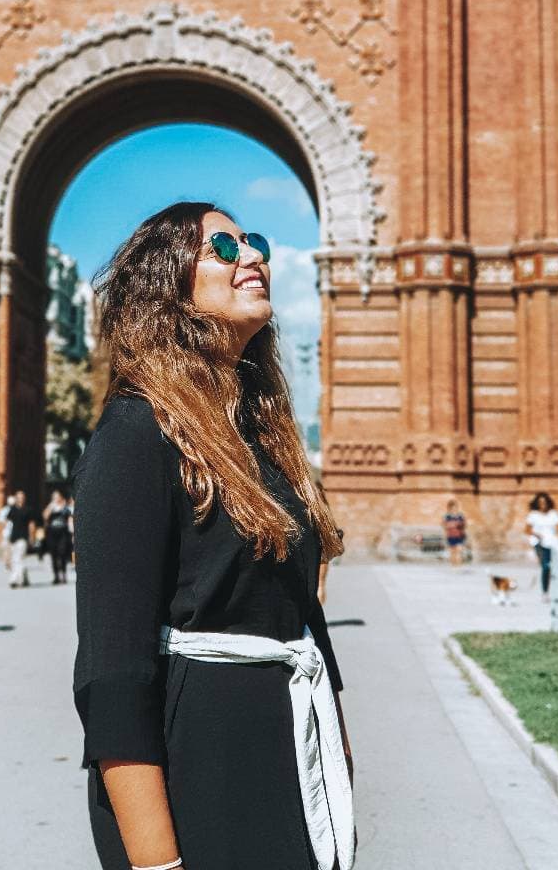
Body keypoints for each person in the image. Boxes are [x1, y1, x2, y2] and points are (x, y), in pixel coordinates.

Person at [73, 203, 354, 870]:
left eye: (253, 242)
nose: (253, 256)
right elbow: (113, 673)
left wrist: (338, 769)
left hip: (288, 771)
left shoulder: (263, 444)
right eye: (223, 248)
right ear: (168, 286)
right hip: (198, 784)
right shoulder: (135, 435)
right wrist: (156, 863)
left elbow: (304, 620)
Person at [525, 491, 558, 603]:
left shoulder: (553, 514)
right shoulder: (533, 515)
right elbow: (527, 530)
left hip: (552, 543)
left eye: (544, 502)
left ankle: (551, 589)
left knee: (552, 567)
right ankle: (545, 593)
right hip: (539, 542)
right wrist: (537, 535)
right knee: (545, 566)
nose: (543, 505)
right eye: (540, 503)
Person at [43, 489, 74, 584]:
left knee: (62, 553)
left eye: (57, 496)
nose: (56, 499)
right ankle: (56, 576)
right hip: (52, 534)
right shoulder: (51, 508)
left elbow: (70, 520)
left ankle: (63, 575)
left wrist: (72, 533)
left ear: (61, 497)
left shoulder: (65, 508)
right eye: (54, 497)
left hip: (63, 534)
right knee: (54, 555)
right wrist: (50, 506)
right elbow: (45, 516)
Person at [6, 490, 35, 588]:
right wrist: (7, 537)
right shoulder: (12, 510)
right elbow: (8, 524)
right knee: (15, 559)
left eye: (22, 497)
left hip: (23, 537)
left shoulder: (28, 510)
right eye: (18, 497)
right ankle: (24, 578)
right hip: (14, 537)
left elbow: (31, 524)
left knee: (18, 558)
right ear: (16, 498)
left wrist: (31, 537)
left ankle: (15, 580)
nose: (20, 499)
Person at [443, 499, 467, 566]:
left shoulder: (460, 516)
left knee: (459, 551)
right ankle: (453, 566)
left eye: (455, 507)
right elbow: (444, 525)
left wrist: (460, 525)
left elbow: (464, 524)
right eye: (452, 507)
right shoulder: (447, 516)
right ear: (450, 508)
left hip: (459, 536)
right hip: (451, 536)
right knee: (452, 552)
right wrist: (452, 525)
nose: (454, 509)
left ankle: (459, 565)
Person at [0, 493, 16, 573]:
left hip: (11, 532)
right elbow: (1, 522)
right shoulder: (5, 510)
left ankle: (10, 564)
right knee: (7, 550)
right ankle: (7, 565)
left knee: (10, 550)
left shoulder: (5, 510)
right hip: (7, 533)